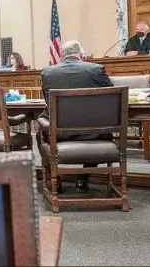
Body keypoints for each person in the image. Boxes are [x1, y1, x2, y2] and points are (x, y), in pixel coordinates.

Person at [38, 40, 113, 193]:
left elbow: (48, 103)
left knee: (41, 134)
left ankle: (55, 181)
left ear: (62, 55)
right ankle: (83, 179)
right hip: (94, 134)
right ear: (81, 54)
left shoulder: (47, 73)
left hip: (58, 134)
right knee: (107, 133)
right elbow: (112, 98)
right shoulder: (96, 69)